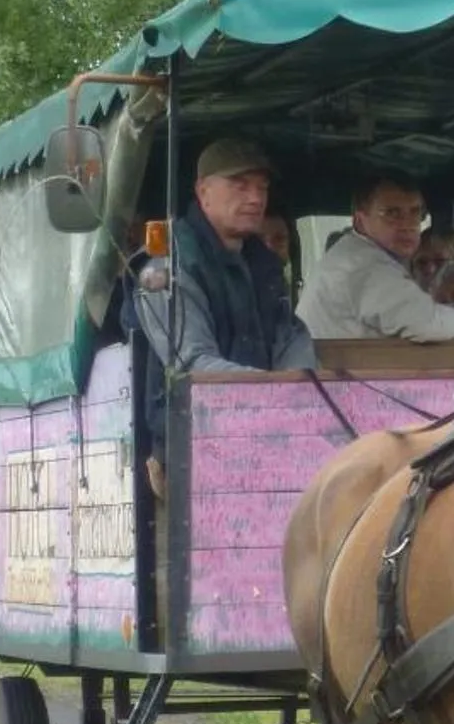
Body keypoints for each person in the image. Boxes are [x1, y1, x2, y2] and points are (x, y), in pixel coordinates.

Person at [129, 137, 318, 488]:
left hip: (266, 438)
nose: (256, 198)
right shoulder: (168, 265)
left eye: (261, 188)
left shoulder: (263, 263)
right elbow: (193, 362)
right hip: (194, 447)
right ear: (204, 192)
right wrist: (274, 394)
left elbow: (290, 334)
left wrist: (301, 388)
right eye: (240, 185)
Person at [298, 173, 454, 340]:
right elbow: (423, 324)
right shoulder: (365, 264)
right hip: (336, 378)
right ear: (360, 222)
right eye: (392, 213)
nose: (407, 225)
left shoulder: (353, 254)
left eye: (415, 213)